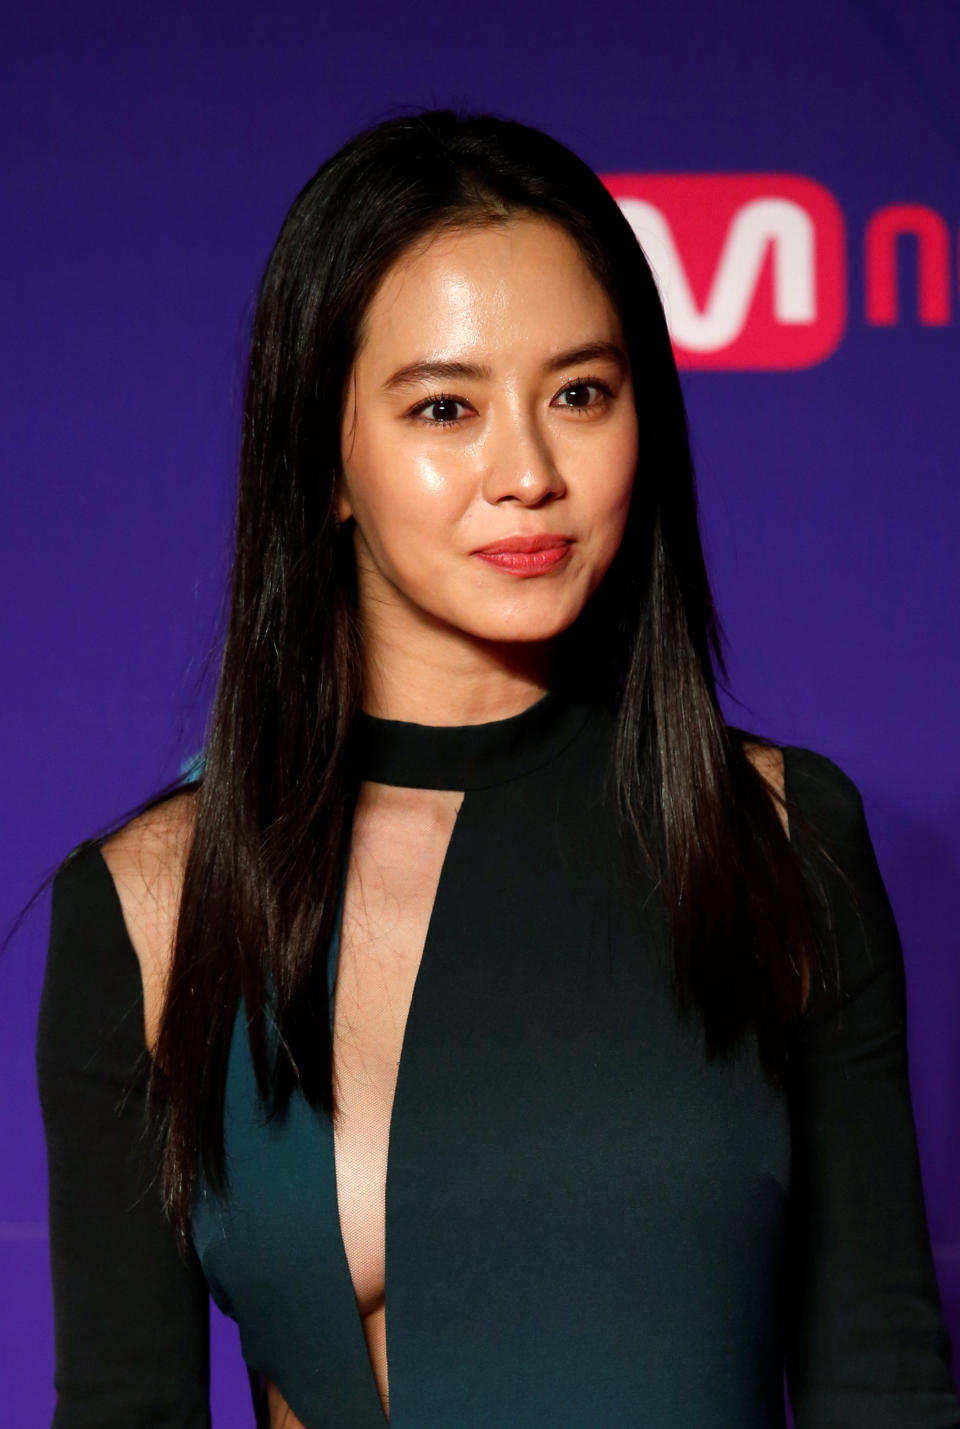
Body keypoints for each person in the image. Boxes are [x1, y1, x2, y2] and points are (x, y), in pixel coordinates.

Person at [35, 107, 960, 1429]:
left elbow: (882, 1381)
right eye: (445, 407)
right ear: (327, 455)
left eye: (581, 393)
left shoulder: (775, 836)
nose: (528, 472)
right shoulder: (158, 904)